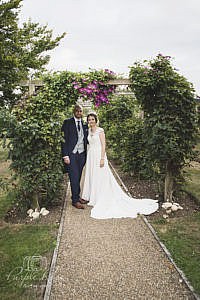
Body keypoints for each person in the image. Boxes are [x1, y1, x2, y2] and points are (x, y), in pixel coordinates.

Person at [81, 113, 159, 219]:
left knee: (101, 176)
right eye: (89, 119)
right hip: (91, 155)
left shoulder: (100, 130)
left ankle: (101, 197)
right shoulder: (89, 131)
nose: (91, 121)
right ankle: (93, 195)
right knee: (93, 175)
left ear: (96, 120)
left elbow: (104, 145)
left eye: (92, 119)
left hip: (99, 154)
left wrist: (102, 158)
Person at [61, 104, 89, 209]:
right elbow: (63, 140)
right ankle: (75, 201)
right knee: (74, 177)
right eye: (77, 111)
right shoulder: (67, 122)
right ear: (74, 112)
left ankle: (77, 196)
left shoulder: (84, 124)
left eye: (81, 111)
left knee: (78, 177)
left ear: (82, 112)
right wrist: (65, 155)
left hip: (81, 155)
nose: (79, 113)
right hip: (71, 155)